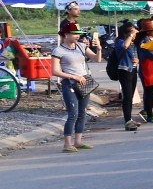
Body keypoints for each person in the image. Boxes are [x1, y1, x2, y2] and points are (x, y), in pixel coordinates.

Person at [50, 24, 101, 153]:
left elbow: (97, 59)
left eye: (78, 34)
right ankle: (67, 144)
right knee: (73, 113)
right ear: (66, 35)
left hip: (84, 82)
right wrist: (74, 77)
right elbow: (55, 71)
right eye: (74, 34)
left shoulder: (81, 46)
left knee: (82, 112)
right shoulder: (58, 51)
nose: (77, 36)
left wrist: (99, 48)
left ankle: (78, 142)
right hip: (69, 84)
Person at [109, 21, 140, 131]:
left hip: (133, 70)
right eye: (132, 32)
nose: (135, 34)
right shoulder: (120, 42)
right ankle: (127, 121)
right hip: (124, 71)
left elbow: (134, 55)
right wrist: (131, 35)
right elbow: (124, 46)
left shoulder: (132, 43)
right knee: (127, 96)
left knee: (130, 96)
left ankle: (130, 119)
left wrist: (137, 60)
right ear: (127, 33)